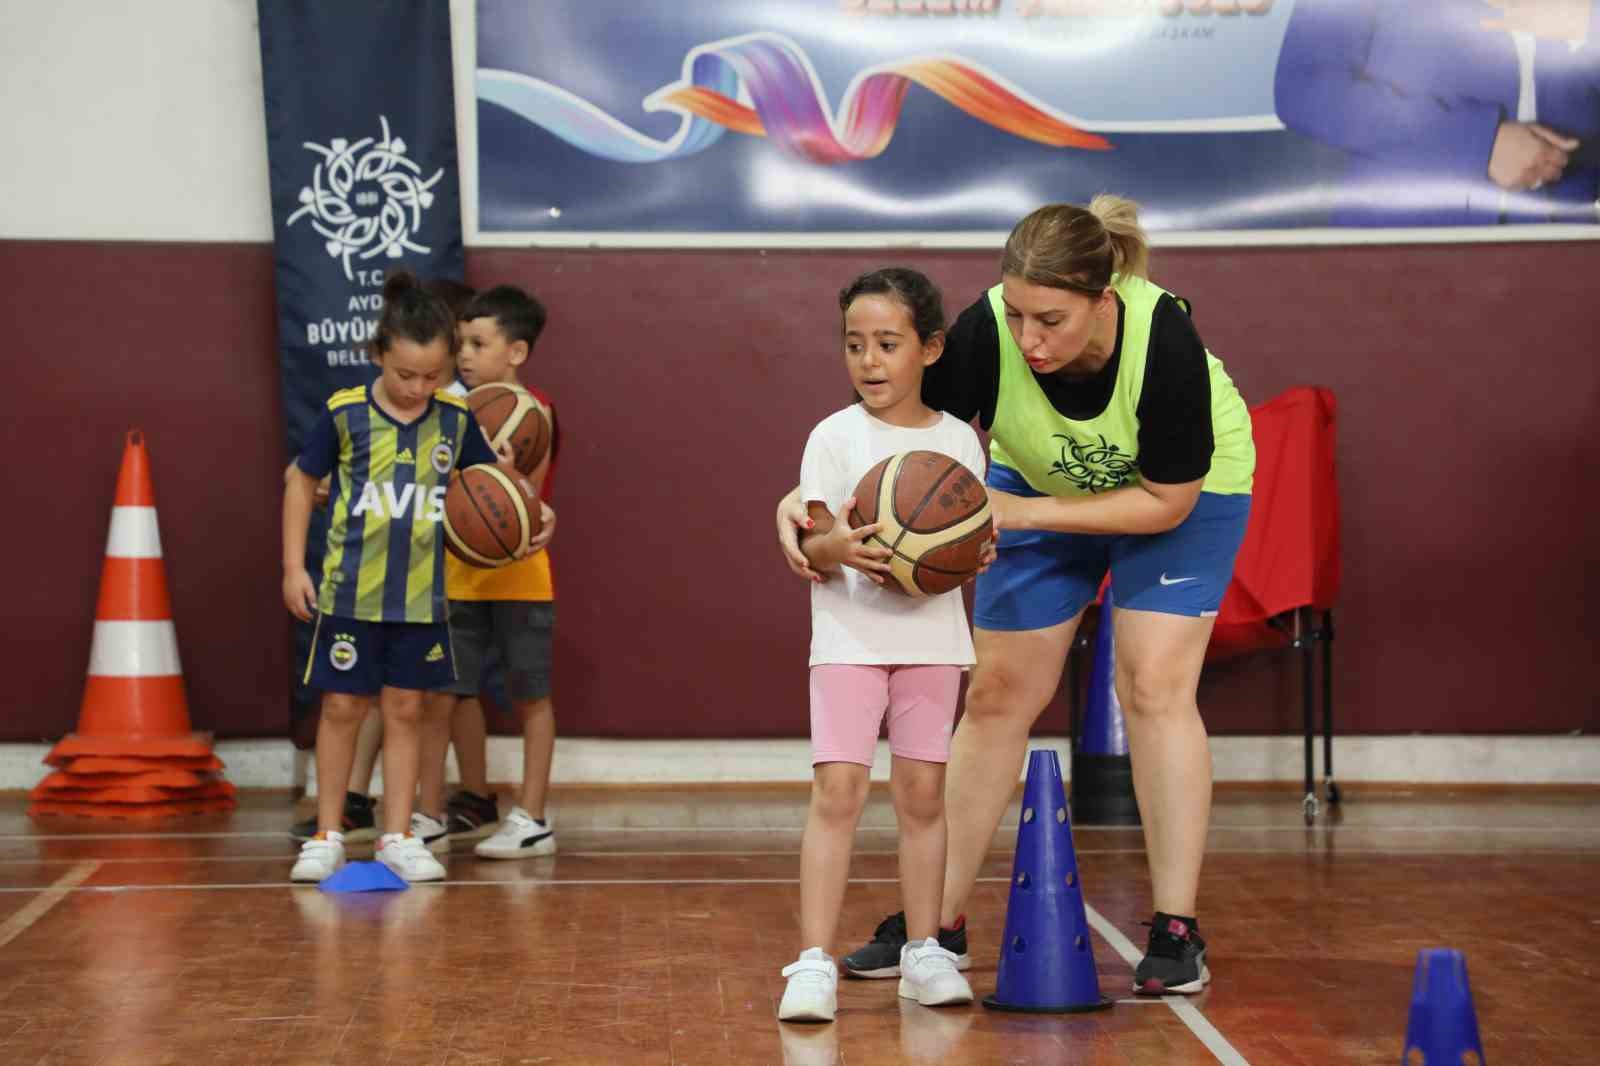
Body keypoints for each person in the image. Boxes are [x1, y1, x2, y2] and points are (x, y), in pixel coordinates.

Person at [776, 197, 1255, 995]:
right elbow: (892, 421)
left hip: (1181, 500)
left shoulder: (1163, 340)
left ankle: (1176, 931)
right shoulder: (991, 329)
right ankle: (939, 926)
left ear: (1103, 301)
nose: (1028, 339)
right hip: (1033, 483)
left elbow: (1164, 503)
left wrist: (1022, 511)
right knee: (997, 691)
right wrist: (798, 504)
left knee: (1152, 685)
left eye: (1052, 322)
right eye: (1017, 313)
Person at [777, 268, 990, 1024]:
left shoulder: (959, 440)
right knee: (837, 794)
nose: (869, 360)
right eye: (854, 344)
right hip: (847, 637)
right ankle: (810, 963)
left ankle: (925, 950)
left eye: (888, 344)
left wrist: (970, 551)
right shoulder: (833, 437)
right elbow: (814, 541)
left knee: (924, 798)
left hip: (933, 638)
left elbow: (965, 540)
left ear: (930, 348)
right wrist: (846, 546)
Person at [283, 272, 531, 884]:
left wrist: (531, 512)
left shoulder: (453, 418)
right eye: (405, 375)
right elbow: (298, 480)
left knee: (406, 710)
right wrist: (293, 567)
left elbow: (488, 490)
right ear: (377, 356)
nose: (420, 387)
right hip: (350, 592)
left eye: (433, 376)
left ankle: (396, 834)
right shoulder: (344, 413)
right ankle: (328, 832)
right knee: (341, 707)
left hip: (423, 598)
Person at [418, 285, 563, 860]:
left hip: (522, 576)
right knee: (442, 697)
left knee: (531, 695)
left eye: (479, 343)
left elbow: (532, 498)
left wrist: (512, 486)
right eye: (461, 345)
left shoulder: (534, 414)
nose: (466, 356)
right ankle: (428, 812)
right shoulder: (447, 412)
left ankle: (532, 817)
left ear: (517, 353)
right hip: (456, 575)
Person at [1274, 0, 1599, 226]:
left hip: (1571, 247)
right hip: (1410, 251)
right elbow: (1305, 85)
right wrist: (1478, 143)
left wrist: (1588, 22)